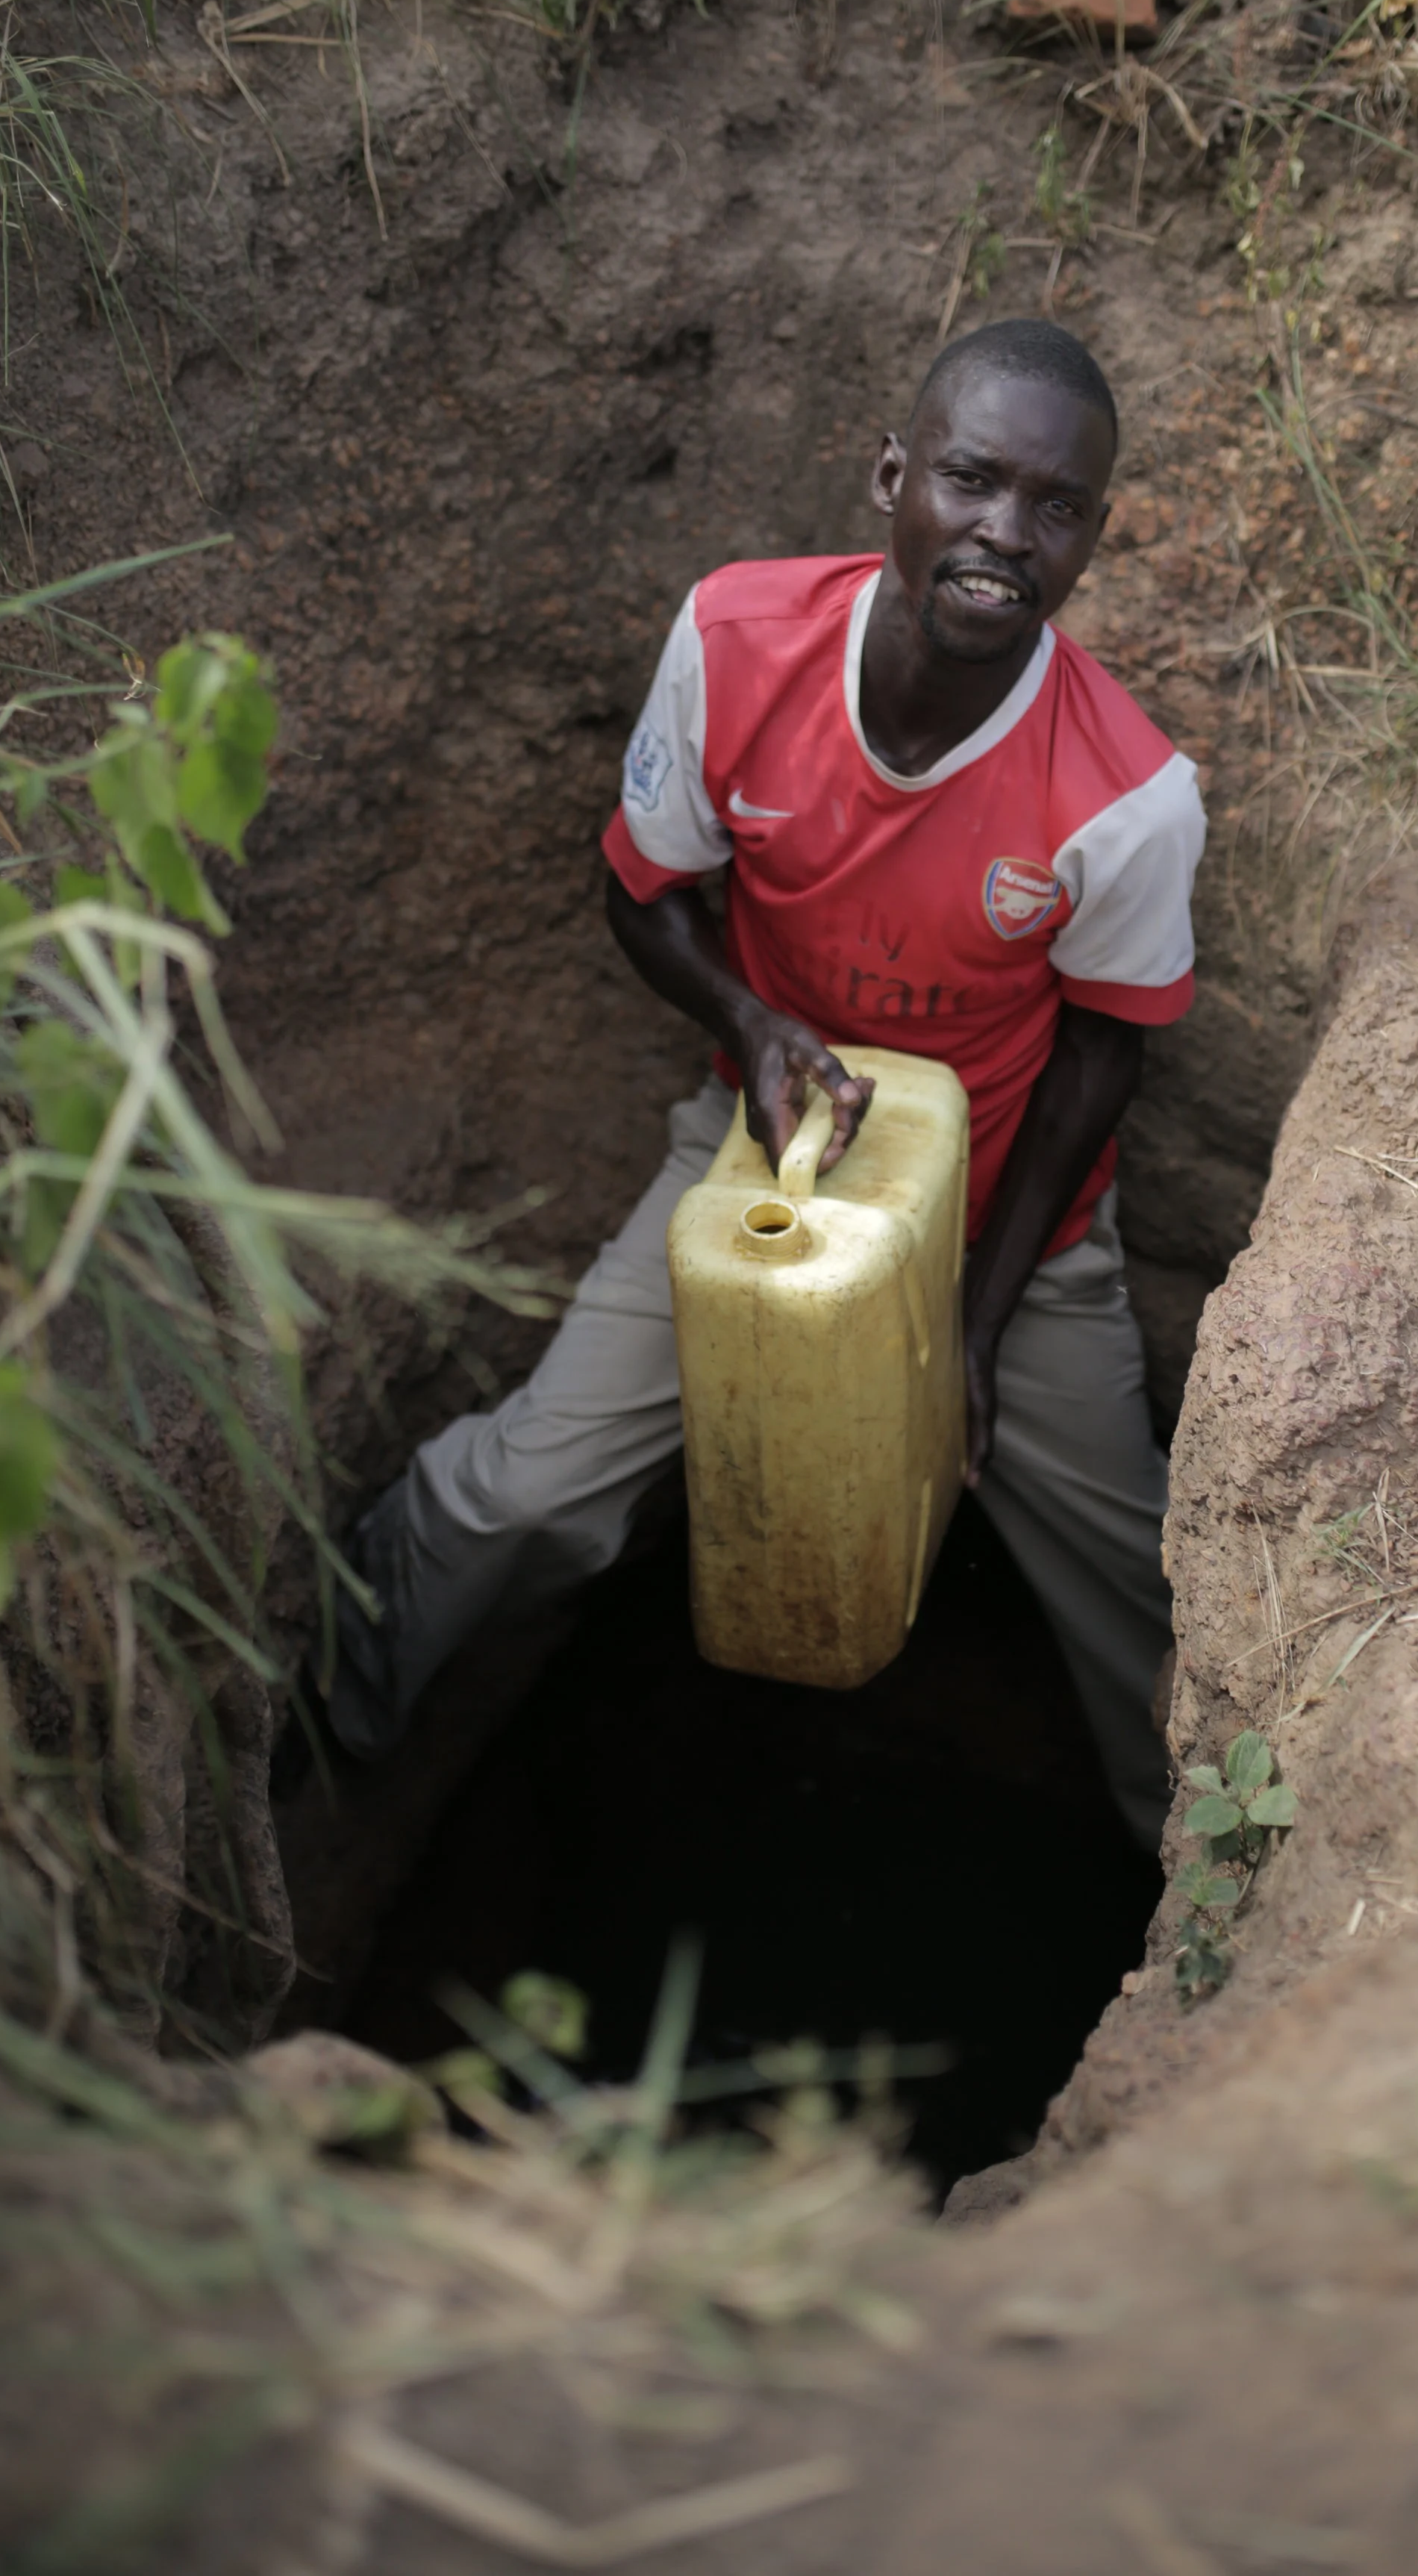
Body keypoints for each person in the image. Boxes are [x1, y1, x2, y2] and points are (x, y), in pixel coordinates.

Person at [318, 319, 1205, 1851]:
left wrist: (972, 1328)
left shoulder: (1122, 793)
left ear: (1089, 538)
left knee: (1139, 1611)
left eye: (1053, 506)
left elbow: (1096, 1059)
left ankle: (1215, 1909)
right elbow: (643, 893)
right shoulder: (736, 644)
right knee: (529, 1494)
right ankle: (331, 1716)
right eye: (971, 480)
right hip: (763, 1178)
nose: (1004, 531)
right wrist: (750, 1023)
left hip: (1018, 1238)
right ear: (890, 478)